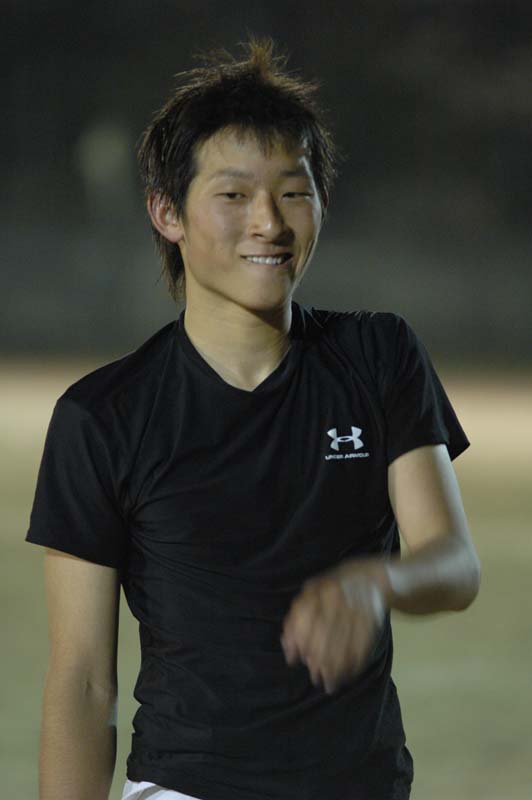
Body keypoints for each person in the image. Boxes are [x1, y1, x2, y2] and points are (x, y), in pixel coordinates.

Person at [26, 36, 481, 800]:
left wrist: (377, 582)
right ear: (167, 212)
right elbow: (82, 683)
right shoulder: (102, 416)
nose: (269, 222)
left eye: (293, 192)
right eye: (234, 196)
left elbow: (453, 564)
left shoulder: (378, 355)